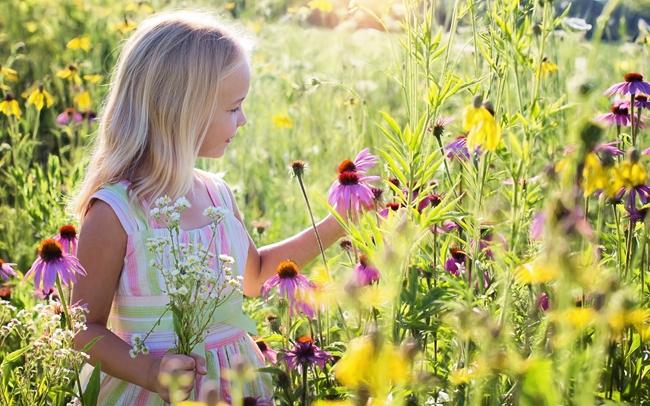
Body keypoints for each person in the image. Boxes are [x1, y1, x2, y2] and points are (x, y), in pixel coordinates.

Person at [71, 10, 347, 405]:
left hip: (236, 386)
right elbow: (84, 329)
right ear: (182, 112)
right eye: (234, 108)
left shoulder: (218, 195)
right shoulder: (116, 213)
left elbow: (254, 277)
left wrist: (337, 224)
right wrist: (150, 371)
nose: (244, 119)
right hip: (149, 392)